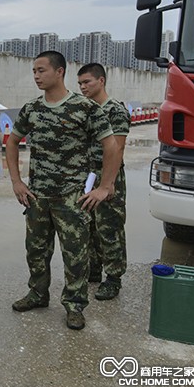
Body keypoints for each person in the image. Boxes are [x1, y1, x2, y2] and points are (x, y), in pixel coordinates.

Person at [4, 51, 120, 330]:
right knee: (36, 250)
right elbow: (11, 143)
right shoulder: (32, 109)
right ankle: (38, 293)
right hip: (38, 195)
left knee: (75, 254)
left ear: (59, 72)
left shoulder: (84, 108)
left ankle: (75, 304)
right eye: (33, 71)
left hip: (71, 197)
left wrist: (105, 186)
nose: (36, 76)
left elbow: (111, 146)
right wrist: (17, 182)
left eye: (41, 70)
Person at [77, 63, 130, 300]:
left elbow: (117, 148)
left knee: (109, 227)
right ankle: (94, 271)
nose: (83, 87)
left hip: (108, 175)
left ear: (101, 81)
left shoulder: (115, 111)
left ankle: (114, 277)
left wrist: (108, 183)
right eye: (79, 83)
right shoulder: (87, 110)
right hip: (88, 175)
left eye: (87, 82)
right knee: (88, 225)